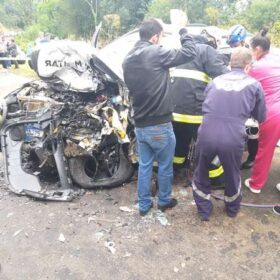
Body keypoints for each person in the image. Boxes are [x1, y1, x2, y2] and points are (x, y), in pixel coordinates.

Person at [122, 18, 196, 216]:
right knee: (164, 166)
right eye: (161, 36)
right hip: (160, 124)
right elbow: (190, 52)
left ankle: (144, 206)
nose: (161, 40)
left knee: (145, 166)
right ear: (154, 37)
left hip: (140, 124)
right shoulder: (155, 52)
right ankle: (163, 201)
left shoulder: (128, 58)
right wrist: (183, 31)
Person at [193, 47, 266, 220]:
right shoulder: (254, 84)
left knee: (201, 171)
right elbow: (261, 116)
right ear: (248, 66)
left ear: (230, 63)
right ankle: (232, 209)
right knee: (232, 174)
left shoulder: (214, 81)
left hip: (206, 133)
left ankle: (204, 211)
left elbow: (206, 102)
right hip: (232, 135)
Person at [171, 33, 228, 186]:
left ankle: (177, 167)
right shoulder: (206, 50)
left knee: (179, 142)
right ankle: (215, 178)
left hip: (175, 112)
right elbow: (222, 75)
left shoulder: (180, 51)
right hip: (196, 113)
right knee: (208, 146)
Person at [244, 28, 280, 194]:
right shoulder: (276, 58)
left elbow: (244, 88)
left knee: (265, 149)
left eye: (251, 50)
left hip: (273, 113)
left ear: (257, 49)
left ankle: (256, 184)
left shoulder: (256, 67)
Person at [226, 24, 259, 170]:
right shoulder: (228, 55)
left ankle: (251, 157)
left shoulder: (251, 58)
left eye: (235, 43)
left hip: (247, 97)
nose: (234, 47)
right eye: (232, 44)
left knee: (252, 129)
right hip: (231, 96)